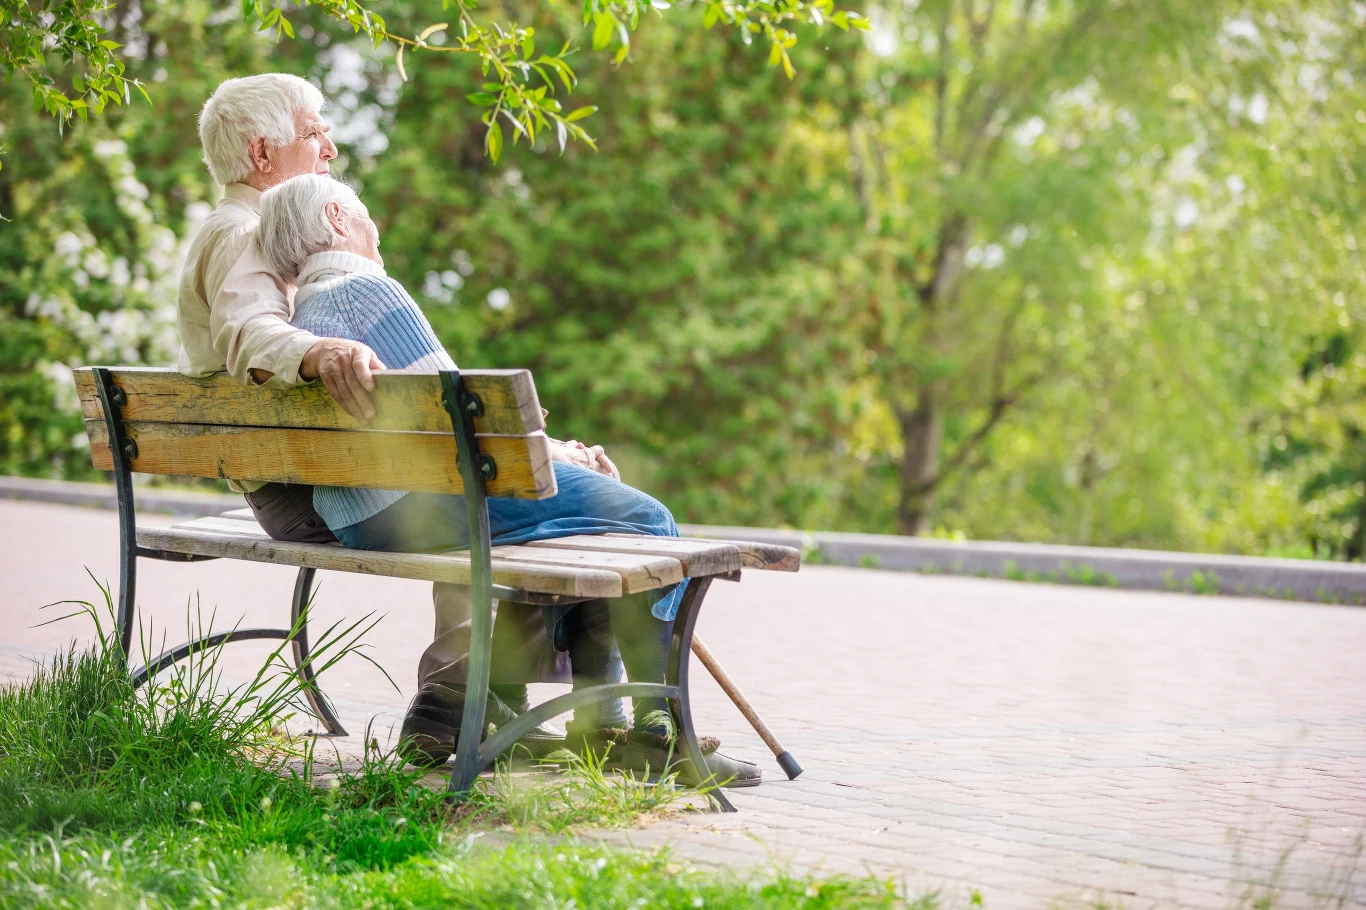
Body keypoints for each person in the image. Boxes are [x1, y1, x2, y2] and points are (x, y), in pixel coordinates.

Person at [256, 173, 760, 785]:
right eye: (365, 215)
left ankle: (605, 725)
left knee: (587, 533)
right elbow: (464, 429)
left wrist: (552, 454)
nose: (374, 227)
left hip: (358, 518)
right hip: (423, 501)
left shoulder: (303, 318)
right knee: (647, 521)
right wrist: (567, 458)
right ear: (338, 218)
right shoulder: (368, 294)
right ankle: (659, 735)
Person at [178, 73, 602, 760]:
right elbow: (247, 332)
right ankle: (466, 704)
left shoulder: (265, 232)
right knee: (494, 489)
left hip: (307, 469)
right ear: (262, 154)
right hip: (305, 487)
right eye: (315, 132)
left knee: (461, 473)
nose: (331, 148)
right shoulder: (246, 232)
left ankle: (462, 705)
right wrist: (320, 349)